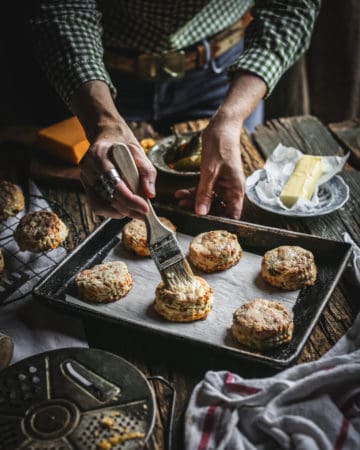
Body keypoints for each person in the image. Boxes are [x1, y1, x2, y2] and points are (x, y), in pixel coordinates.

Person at [28, 1, 320, 220]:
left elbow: (291, 5)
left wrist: (230, 117)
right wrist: (102, 121)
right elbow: (60, 8)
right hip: (96, 74)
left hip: (223, 73)